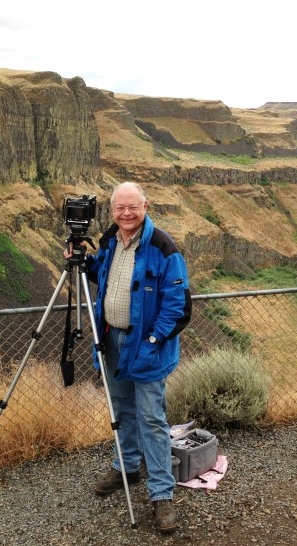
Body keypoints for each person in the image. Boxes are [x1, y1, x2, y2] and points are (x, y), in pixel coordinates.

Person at [68, 181, 191, 533]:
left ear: (145, 206)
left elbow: (177, 305)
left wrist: (152, 340)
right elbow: (101, 277)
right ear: (112, 211)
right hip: (112, 342)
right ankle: (126, 467)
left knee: (151, 418)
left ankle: (161, 495)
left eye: (132, 207)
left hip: (147, 347)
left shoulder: (163, 248)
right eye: (120, 208)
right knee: (121, 411)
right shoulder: (109, 242)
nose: (126, 214)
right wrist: (83, 261)